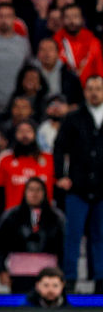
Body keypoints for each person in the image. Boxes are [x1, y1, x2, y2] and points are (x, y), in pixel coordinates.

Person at [53, 75, 103, 289]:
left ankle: (100, 281)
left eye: (98, 88)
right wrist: (60, 176)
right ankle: (69, 281)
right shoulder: (73, 118)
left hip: (102, 189)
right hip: (77, 188)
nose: (94, 92)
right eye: (90, 88)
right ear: (84, 92)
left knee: (99, 237)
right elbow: (59, 147)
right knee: (72, 236)